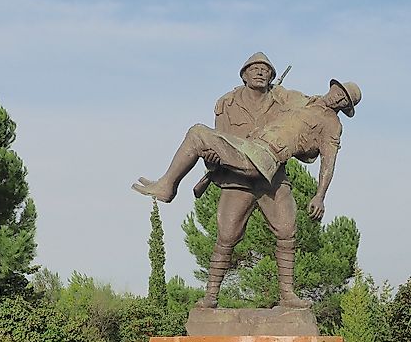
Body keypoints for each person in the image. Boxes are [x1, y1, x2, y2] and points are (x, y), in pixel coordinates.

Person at [133, 77, 361, 309]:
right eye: (339, 92)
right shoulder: (298, 98)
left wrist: (320, 195)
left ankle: (287, 296)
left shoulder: (332, 125)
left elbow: (328, 162)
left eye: (344, 100)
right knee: (227, 236)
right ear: (332, 87)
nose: (338, 98)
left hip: (266, 160)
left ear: (345, 107)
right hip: (249, 151)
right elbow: (263, 91)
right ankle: (210, 297)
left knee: (286, 230)